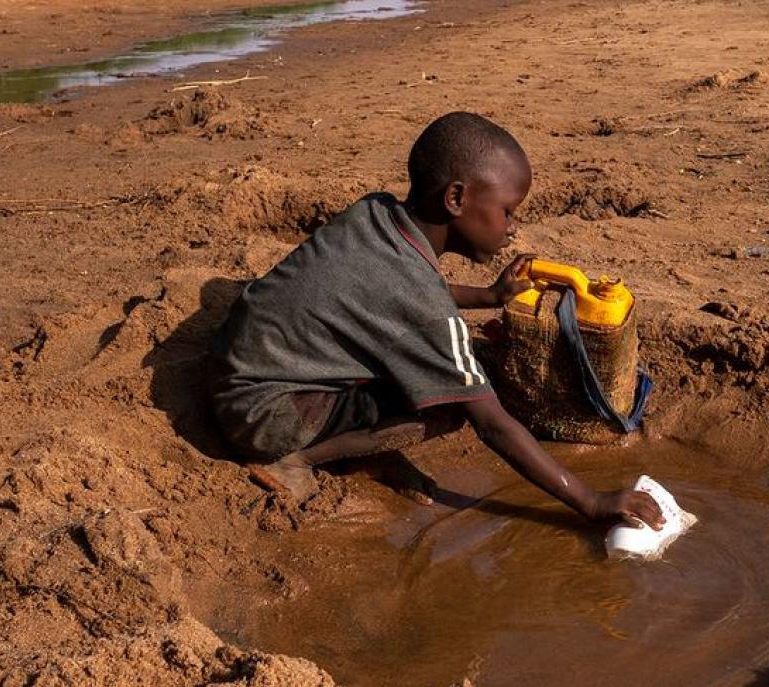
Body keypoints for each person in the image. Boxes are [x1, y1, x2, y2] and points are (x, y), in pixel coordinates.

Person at [207, 111, 663, 530]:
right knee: (449, 403)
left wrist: (488, 296)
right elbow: (491, 423)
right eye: (507, 211)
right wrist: (591, 501)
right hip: (264, 417)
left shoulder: (376, 213)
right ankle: (297, 458)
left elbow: (390, 295)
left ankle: (357, 448)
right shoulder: (418, 297)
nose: (512, 227)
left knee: (428, 362)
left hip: (239, 372)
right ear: (457, 198)